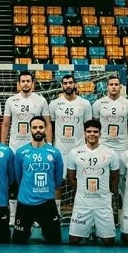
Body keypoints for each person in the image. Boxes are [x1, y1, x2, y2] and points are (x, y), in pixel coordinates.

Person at [1, 71, 52, 225]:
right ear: (19, 84)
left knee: (35, 179)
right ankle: (13, 215)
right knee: (13, 181)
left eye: (28, 81)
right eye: (22, 81)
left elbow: (47, 124)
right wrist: (2, 146)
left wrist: (49, 144)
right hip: (15, 146)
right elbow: (5, 124)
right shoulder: (11, 100)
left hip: (35, 146)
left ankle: (37, 215)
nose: (25, 83)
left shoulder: (41, 100)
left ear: (33, 83)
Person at [67, 119, 119, 246]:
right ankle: (88, 231)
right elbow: (71, 178)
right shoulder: (74, 153)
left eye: (95, 132)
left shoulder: (110, 153)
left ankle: (97, 231)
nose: (92, 134)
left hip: (102, 203)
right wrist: (81, 192)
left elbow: (115, 178)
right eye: (89, 131)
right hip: (82, 203)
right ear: (84, 133)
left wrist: (108, 193)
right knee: (74, 241)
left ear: (100, 134)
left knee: (109, 242)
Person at [12, 116, 63, 244]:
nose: (38, 130)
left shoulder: (55, 153)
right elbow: (18, 177)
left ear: (45, 129)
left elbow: (57, 180)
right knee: (18, 240)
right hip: (25, 203)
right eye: (34, 127)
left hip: (47, 203)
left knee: (55, 241)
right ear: (30, 129)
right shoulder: (21, 152)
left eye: (41, 127)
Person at [92, 74, 128, 222]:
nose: (114, 87)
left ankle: (124, 215)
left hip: (122, 146)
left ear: (120, 87)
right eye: (111, 84)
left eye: (116, 84)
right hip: (104, 146)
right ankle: (103, 214)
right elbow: (96, 126)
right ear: (107, 87)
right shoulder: (98, 104)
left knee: (123, 181)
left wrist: (123, 138)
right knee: (103, 178)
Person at [49, 74, 93, 215]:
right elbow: (51, 126)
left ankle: (80, 211)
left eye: (70, 82)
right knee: (57, 183)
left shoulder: (85, 104)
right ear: (62, 85)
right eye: (65, 83)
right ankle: (56, 214)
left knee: (79, 183)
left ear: (75, 84)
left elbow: (88, 127)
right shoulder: (54, 104)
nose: (68, 85)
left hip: (79, 150)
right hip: (60, 150)